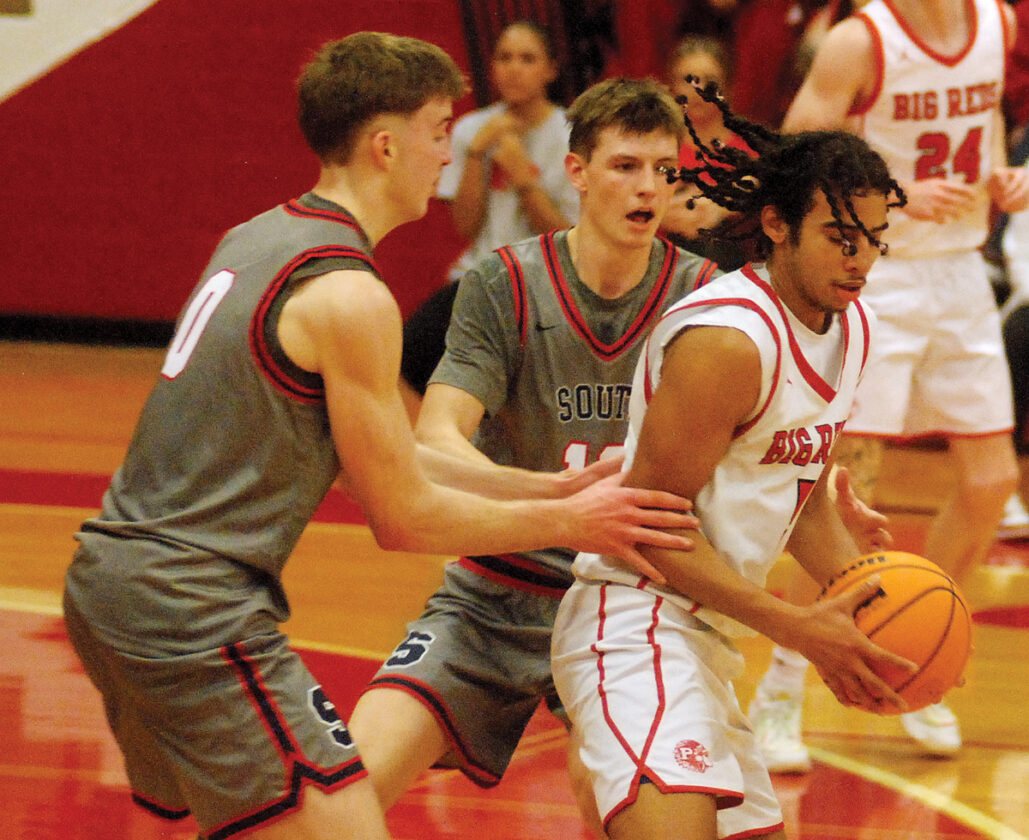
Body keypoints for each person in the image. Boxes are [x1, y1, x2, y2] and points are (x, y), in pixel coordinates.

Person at [60, 34, 702, 840]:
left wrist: (543, 486)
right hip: (192, 609)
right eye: (438, 131)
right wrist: (572, 520)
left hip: (106, 582)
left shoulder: (255, 236)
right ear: (386, 146)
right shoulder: (353, 294)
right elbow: (400, 517)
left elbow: (370, 460)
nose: (448, 153)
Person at [348, 76, 719, 835]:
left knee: (650, 821)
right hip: (494, 593)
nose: (648, 188)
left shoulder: (705, 296)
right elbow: (437, 440)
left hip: (628, 607)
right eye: (625, 166)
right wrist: (558, 501)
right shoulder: (505, 281)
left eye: (663, 170)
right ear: (575, 171)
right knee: (341, 793)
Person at [551, 113, 913, 840]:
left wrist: (869, 614)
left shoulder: (852, 327)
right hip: (635, 624)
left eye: (873, 240)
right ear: (776, 225)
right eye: (839, 238)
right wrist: (799, 629)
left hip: (708, 640)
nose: (860, 262)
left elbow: (803, 498)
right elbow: (647, 531)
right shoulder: (727, 341)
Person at [748, 0, 1029, 768]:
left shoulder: (996, 23)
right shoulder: (857, 40)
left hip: (961, 271)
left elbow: (986, 119)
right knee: (842, 498)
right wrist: (893, 194)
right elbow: (793, 160)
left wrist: (1004, 175)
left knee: (990, 481)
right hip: (877, 277)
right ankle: (780, 688)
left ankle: (920, 649)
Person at [439, 20, 580, 282]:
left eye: (527, 59)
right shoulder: (469, 129)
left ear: (551, 70)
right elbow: (465, 228)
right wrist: (476, 154)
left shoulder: (573, 135)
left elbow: (569, 241)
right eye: (505, 58)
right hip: (479, 273)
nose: (514, 69)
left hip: (545, 278)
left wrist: (523, 177)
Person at [660, 35, 751, 271]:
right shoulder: (654, 147)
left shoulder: (750, 149)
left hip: (732, 270)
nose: (698, 90)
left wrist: (720, 207)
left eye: (710, 81)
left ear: (728, 86)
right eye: (688, 80)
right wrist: (662, 213)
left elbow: (766, 185)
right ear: (671, 86)